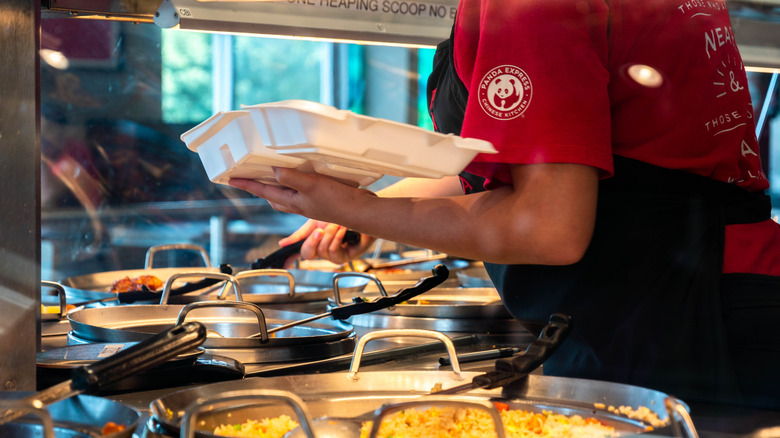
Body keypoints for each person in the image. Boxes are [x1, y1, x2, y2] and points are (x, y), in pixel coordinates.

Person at [229, 0, 780, 410]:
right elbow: (555, 171)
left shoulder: (528, 7)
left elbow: (548, 227)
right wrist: (360, 206)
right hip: (713, 292)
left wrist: (357, 208)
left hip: (682, 315)